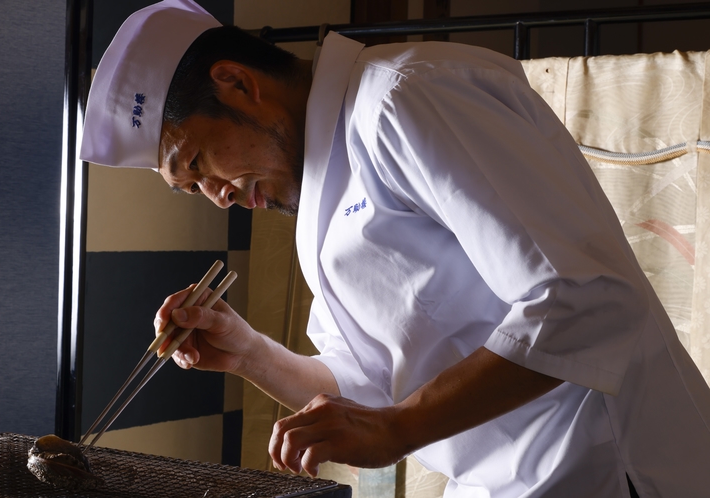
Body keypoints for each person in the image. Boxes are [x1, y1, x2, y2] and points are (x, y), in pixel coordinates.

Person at [80, 1, 710, 496]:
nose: (216, 196)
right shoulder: (320, 185)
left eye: (197, 163)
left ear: (237, 84)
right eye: (193, 189)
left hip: (609, 473)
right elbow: (374, 390)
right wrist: (248, 352)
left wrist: (402, 430)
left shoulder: (405, 97)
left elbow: (587, 300)